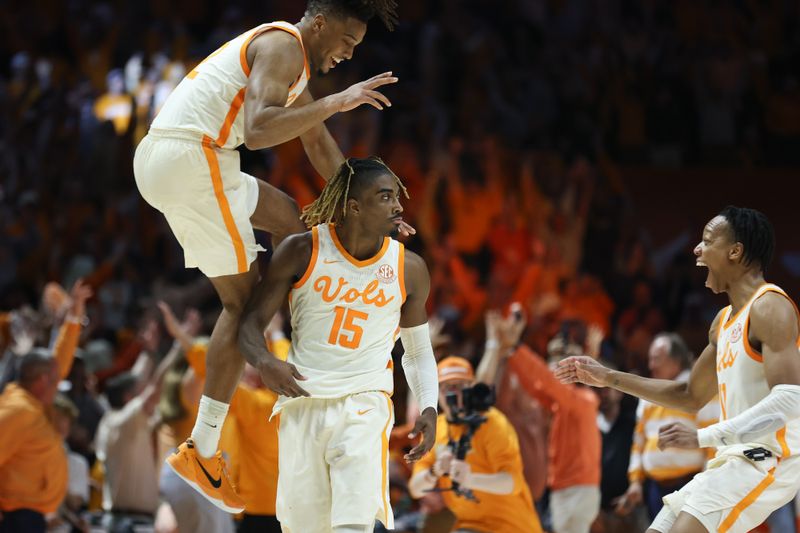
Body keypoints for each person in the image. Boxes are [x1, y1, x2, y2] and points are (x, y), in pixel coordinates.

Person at [134, 0, 406, 512]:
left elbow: (319, 146)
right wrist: (337, 101)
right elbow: (259, 129)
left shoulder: (290, 62)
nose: (349, 54)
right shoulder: (283, 46)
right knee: (243, 306)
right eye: (347, 41)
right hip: (194, 157)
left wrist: (367, 211)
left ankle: (215, 432)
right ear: (319, 23)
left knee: (299, 223)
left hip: (180, 160)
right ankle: (205, 447)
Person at [556, 206, 800, 533]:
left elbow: (791, 400)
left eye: (707, 241)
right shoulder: (722, 322)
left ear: (735, 251)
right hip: (730, 460)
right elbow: (688, 395)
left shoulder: (770, 307)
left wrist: (703, 436)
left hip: (769, 459)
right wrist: (607, 377)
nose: (697, 250)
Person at [234, 157, 439, 532]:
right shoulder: (301, 251)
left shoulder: (409, 268)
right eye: (386, 196)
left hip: (364, 401)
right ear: (354, 207)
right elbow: (248, 326)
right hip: (302, 402)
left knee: (352, 524)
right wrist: (263, 360)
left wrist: (428, 404)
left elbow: (418, 350)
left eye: (397, 197)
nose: (398, 206)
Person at [477, 311, 601, 533]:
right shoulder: (566, 402)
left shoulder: (583, 400)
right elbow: (537, 388)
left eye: (564, 356)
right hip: (564, 490)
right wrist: (509, 353)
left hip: (575, 491)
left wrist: (515, 348)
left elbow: (547, 382)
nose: (557, 363)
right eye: (554, 356)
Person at [408, 356, 543, 533]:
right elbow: (416, 489)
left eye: (461, 387)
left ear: (471, 389)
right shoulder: (438, 429)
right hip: (471, 526)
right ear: (437, 392)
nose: (455, 394)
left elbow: (512, 482)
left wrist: (470, 479)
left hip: (512, 527)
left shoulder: (492, 423)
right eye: (448, 387)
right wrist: (435, 471)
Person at [0, 280, 90, 533]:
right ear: (42, 381)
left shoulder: (32, 404)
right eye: (55, 378)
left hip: (29, 517)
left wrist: (73, 317)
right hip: (14, 518)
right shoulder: (17, 410)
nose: (60, 378)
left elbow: (58, 362)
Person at [615, 333, 718, 521]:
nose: (651, 365)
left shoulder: (699, 389)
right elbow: (638, 441)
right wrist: (635, 482)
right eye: (650, 359)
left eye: (656, 359)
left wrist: (705, 485)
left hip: (691, 484)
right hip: (655, 488)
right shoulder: (647, 393)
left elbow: (713, 441)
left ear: (675, 361)